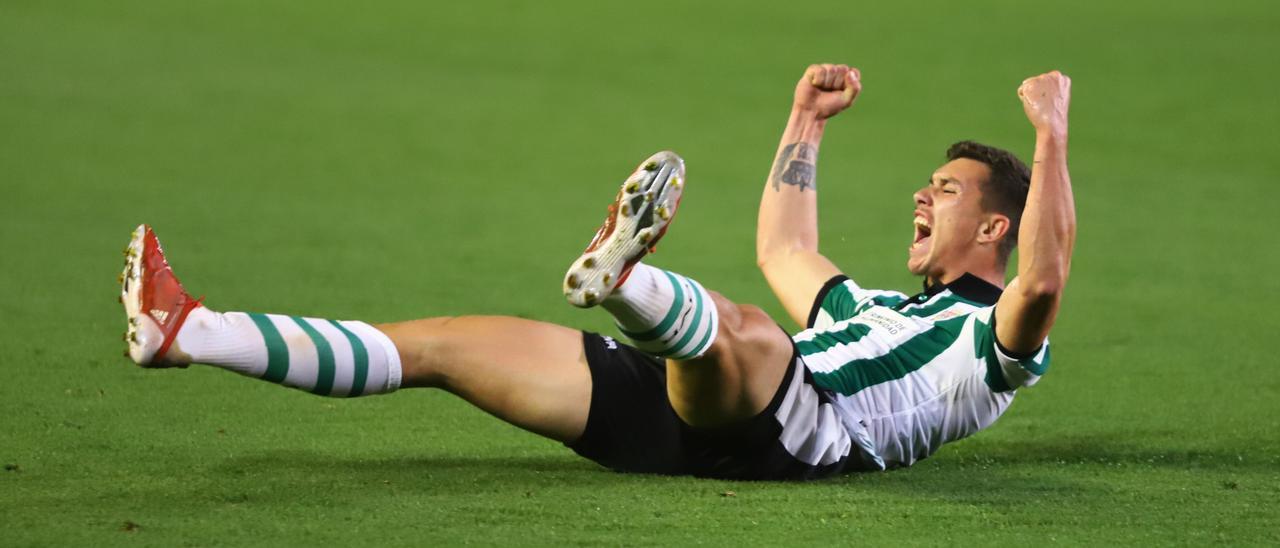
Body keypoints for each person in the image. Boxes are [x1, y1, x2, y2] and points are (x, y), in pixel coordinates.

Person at [118, 64, 1075, 480]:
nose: (921, 195)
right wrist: (806, 123)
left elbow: (1042, 282)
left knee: (746, 331)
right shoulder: (866, 306)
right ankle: (188, 331)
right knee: (446, 345)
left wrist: (1051, 135)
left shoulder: (991, 348)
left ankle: (626, 284)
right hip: (692, 413)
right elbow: (786, 247)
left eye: (943, 190)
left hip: (807, 436)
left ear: (997, 222)